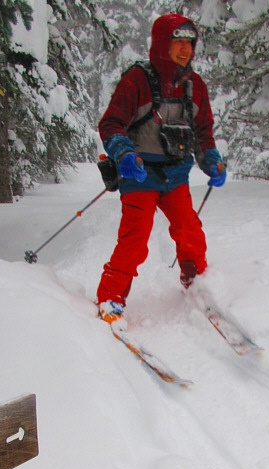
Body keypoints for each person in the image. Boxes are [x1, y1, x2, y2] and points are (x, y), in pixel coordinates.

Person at [96, 13, 226, 328]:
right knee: (135, 238)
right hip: (139, 172)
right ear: (161, 44)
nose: (184, 49)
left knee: (190, 231)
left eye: (189, 43)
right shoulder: (138, 80)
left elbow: (204, 130)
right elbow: (111, 123)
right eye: (177, 41)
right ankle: (111, 297)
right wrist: (123, 153)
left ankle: (195, 283)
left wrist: (211, 159)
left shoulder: (195, 86)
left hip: (175, 174)